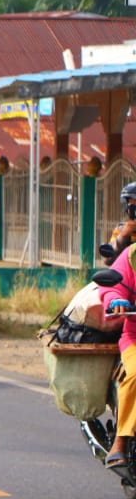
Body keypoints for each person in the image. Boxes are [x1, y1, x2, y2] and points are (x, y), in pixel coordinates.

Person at [99, 220, 136, 469]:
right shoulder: (132, 255)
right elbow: (113, 287)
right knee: (134, 375)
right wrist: (116, 301)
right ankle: (121, 442)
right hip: (134, 337)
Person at [108, 182, 136, 256]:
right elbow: (108, 259)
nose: (131, 208)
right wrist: (123, 236)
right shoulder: (121, 229)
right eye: (130, 204)